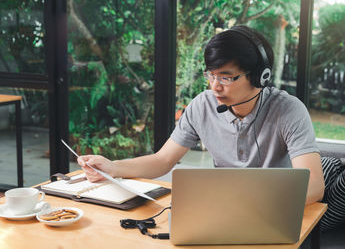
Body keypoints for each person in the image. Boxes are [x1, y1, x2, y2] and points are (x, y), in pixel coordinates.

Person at [78, 25, 325, 206]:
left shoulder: (289, 110)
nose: (215, 86)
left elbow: (314, 185)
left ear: (261, 77)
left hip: (274, 208)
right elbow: (162, 160)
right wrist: (112, 167)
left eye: (226, 77)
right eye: (211, 75)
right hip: (222, 207)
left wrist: (253, 202)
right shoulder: (202, 105)